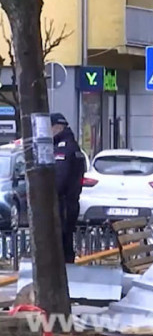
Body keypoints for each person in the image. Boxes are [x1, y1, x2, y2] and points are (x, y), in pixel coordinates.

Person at [51, 113, 86, 263]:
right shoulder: (74, 146)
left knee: (61, 243)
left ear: (58, 127)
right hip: (71, 202)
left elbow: (60, 178)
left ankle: (64, 276)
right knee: (66, 241)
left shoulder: (63, 148)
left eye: (50, 127)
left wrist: (50, 195)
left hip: (63, 204)